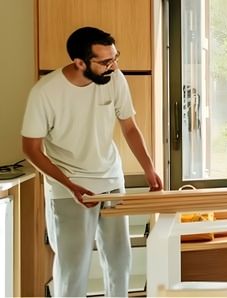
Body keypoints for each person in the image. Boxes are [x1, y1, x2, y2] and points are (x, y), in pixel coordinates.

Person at [20, 27, 163, 297]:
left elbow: (129, 127)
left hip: (110, 180)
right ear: (80, 62)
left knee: (120, 264)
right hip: (68, 188)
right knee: (74, 269)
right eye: (105, 61)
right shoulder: (45, 92)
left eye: (115, 57)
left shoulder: (115, 78)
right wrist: (69, 184)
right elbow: (31, 148)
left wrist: (149, 169)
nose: (114, 65)